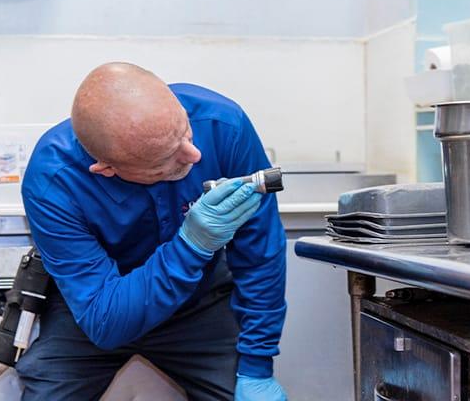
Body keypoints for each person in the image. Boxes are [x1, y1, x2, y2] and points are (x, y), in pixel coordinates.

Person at [17, 62, 288, 401]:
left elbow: (260, 252)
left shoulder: (223, 124)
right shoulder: (52, 181)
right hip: (96, 307)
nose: (195, 155)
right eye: (166, 161)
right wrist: (192, 246)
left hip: (198, 303)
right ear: (107, 169)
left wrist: (257, 364)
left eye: (186, 133)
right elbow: (105, 323)